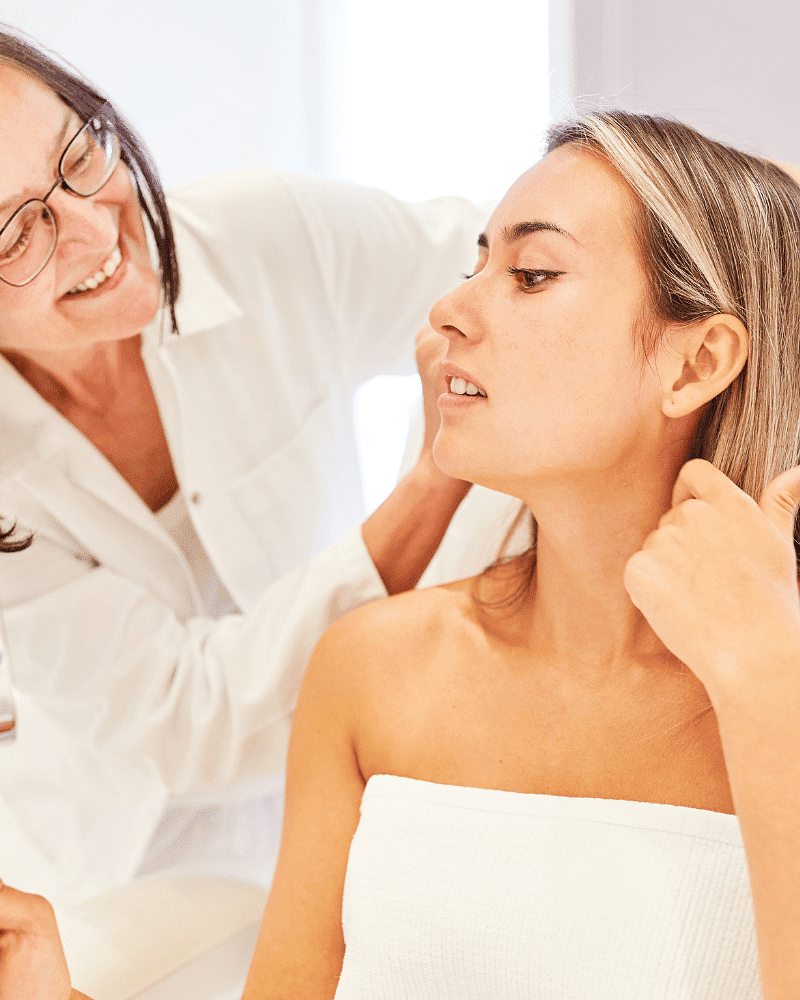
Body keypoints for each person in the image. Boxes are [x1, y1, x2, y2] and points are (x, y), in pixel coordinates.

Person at [3, 110, 800, 1000]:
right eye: (474, 265)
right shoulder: (369, 669)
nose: (447, 309)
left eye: (530, 275)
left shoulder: (777, 695)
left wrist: (768, 685)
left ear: (697, 365)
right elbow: (193, 716)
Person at [0, 25, 488, 906]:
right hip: (107, 875)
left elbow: (500, 278)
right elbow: (192, 720)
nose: (90, 223)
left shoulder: (267, 235)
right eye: (11, 237)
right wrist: (431, 484)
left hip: (358, 801)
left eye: (78, 151)